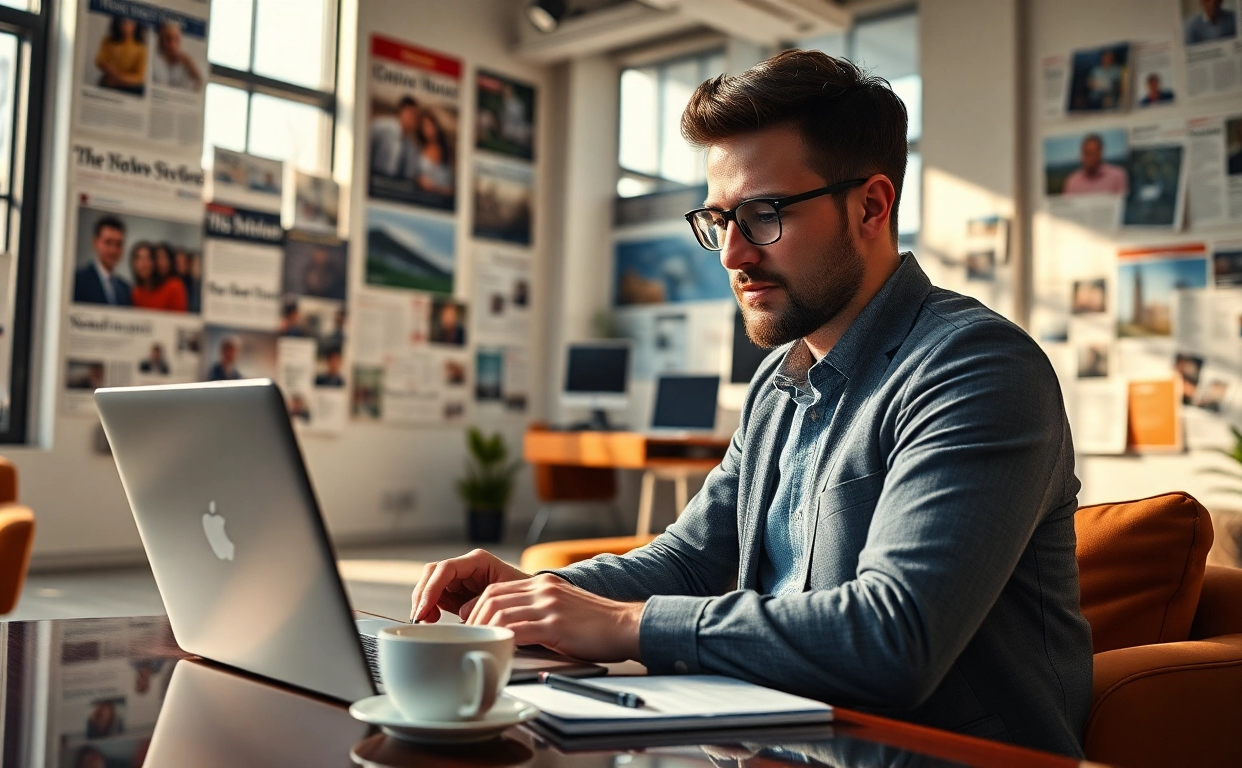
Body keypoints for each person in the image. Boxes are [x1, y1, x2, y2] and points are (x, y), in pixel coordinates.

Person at [412, 49, 1092, 758]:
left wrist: (625, 624)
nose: (733, 255)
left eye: (764, 214)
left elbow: (896, 638)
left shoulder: (975, 368)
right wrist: (534, 592)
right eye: (718, 220)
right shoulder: (779, 384)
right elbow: (688, 559)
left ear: (871, 206)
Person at [73, 216, 133, 306]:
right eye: (108, 242)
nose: (113, 250)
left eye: (118, 244)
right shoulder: (77, 281)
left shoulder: (125, 289)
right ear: (95, 243)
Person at [369, 96, 421, 181]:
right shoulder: (381, 127)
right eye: (412, 114)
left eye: (416, 116)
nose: (414, 119)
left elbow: (409, 173)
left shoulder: (410, 145)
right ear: (403, 111)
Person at [94, 16, 147, 95]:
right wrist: (111, 72)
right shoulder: (108, 41)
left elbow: (139, 77)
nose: (125, 25)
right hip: (110, 79)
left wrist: (119, 79)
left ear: (136, 24)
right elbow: (99, 60)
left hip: (128, 83)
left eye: (129, 22)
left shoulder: (141, 48)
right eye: (123, 21)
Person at [1062, 133, 1128, 195]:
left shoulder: (1117, 176)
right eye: (1087, 153)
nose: (1090, 157)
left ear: (1100, 153)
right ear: (1082, 154)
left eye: (1093, 153)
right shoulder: (1072, 182)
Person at [131, 243, 188, 312]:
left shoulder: (173, 286)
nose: (143, 264)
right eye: (138, 259)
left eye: (148, 258)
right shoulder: (136, 292)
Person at [151, 20, 202, 91]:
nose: (172, 45)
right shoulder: (153, 60)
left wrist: (189, 64)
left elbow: (199, 84)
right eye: (168, 39)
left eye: (176, 39)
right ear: (160, 39)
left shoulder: (186, 62)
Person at [416, 111, 455, 196]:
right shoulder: (419, 150)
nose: (429, 130)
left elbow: (451, 187)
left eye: (431, 125)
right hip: (423, 196)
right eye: (425, 126)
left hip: (443, 199)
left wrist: (435, 188)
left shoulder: (447, 151)